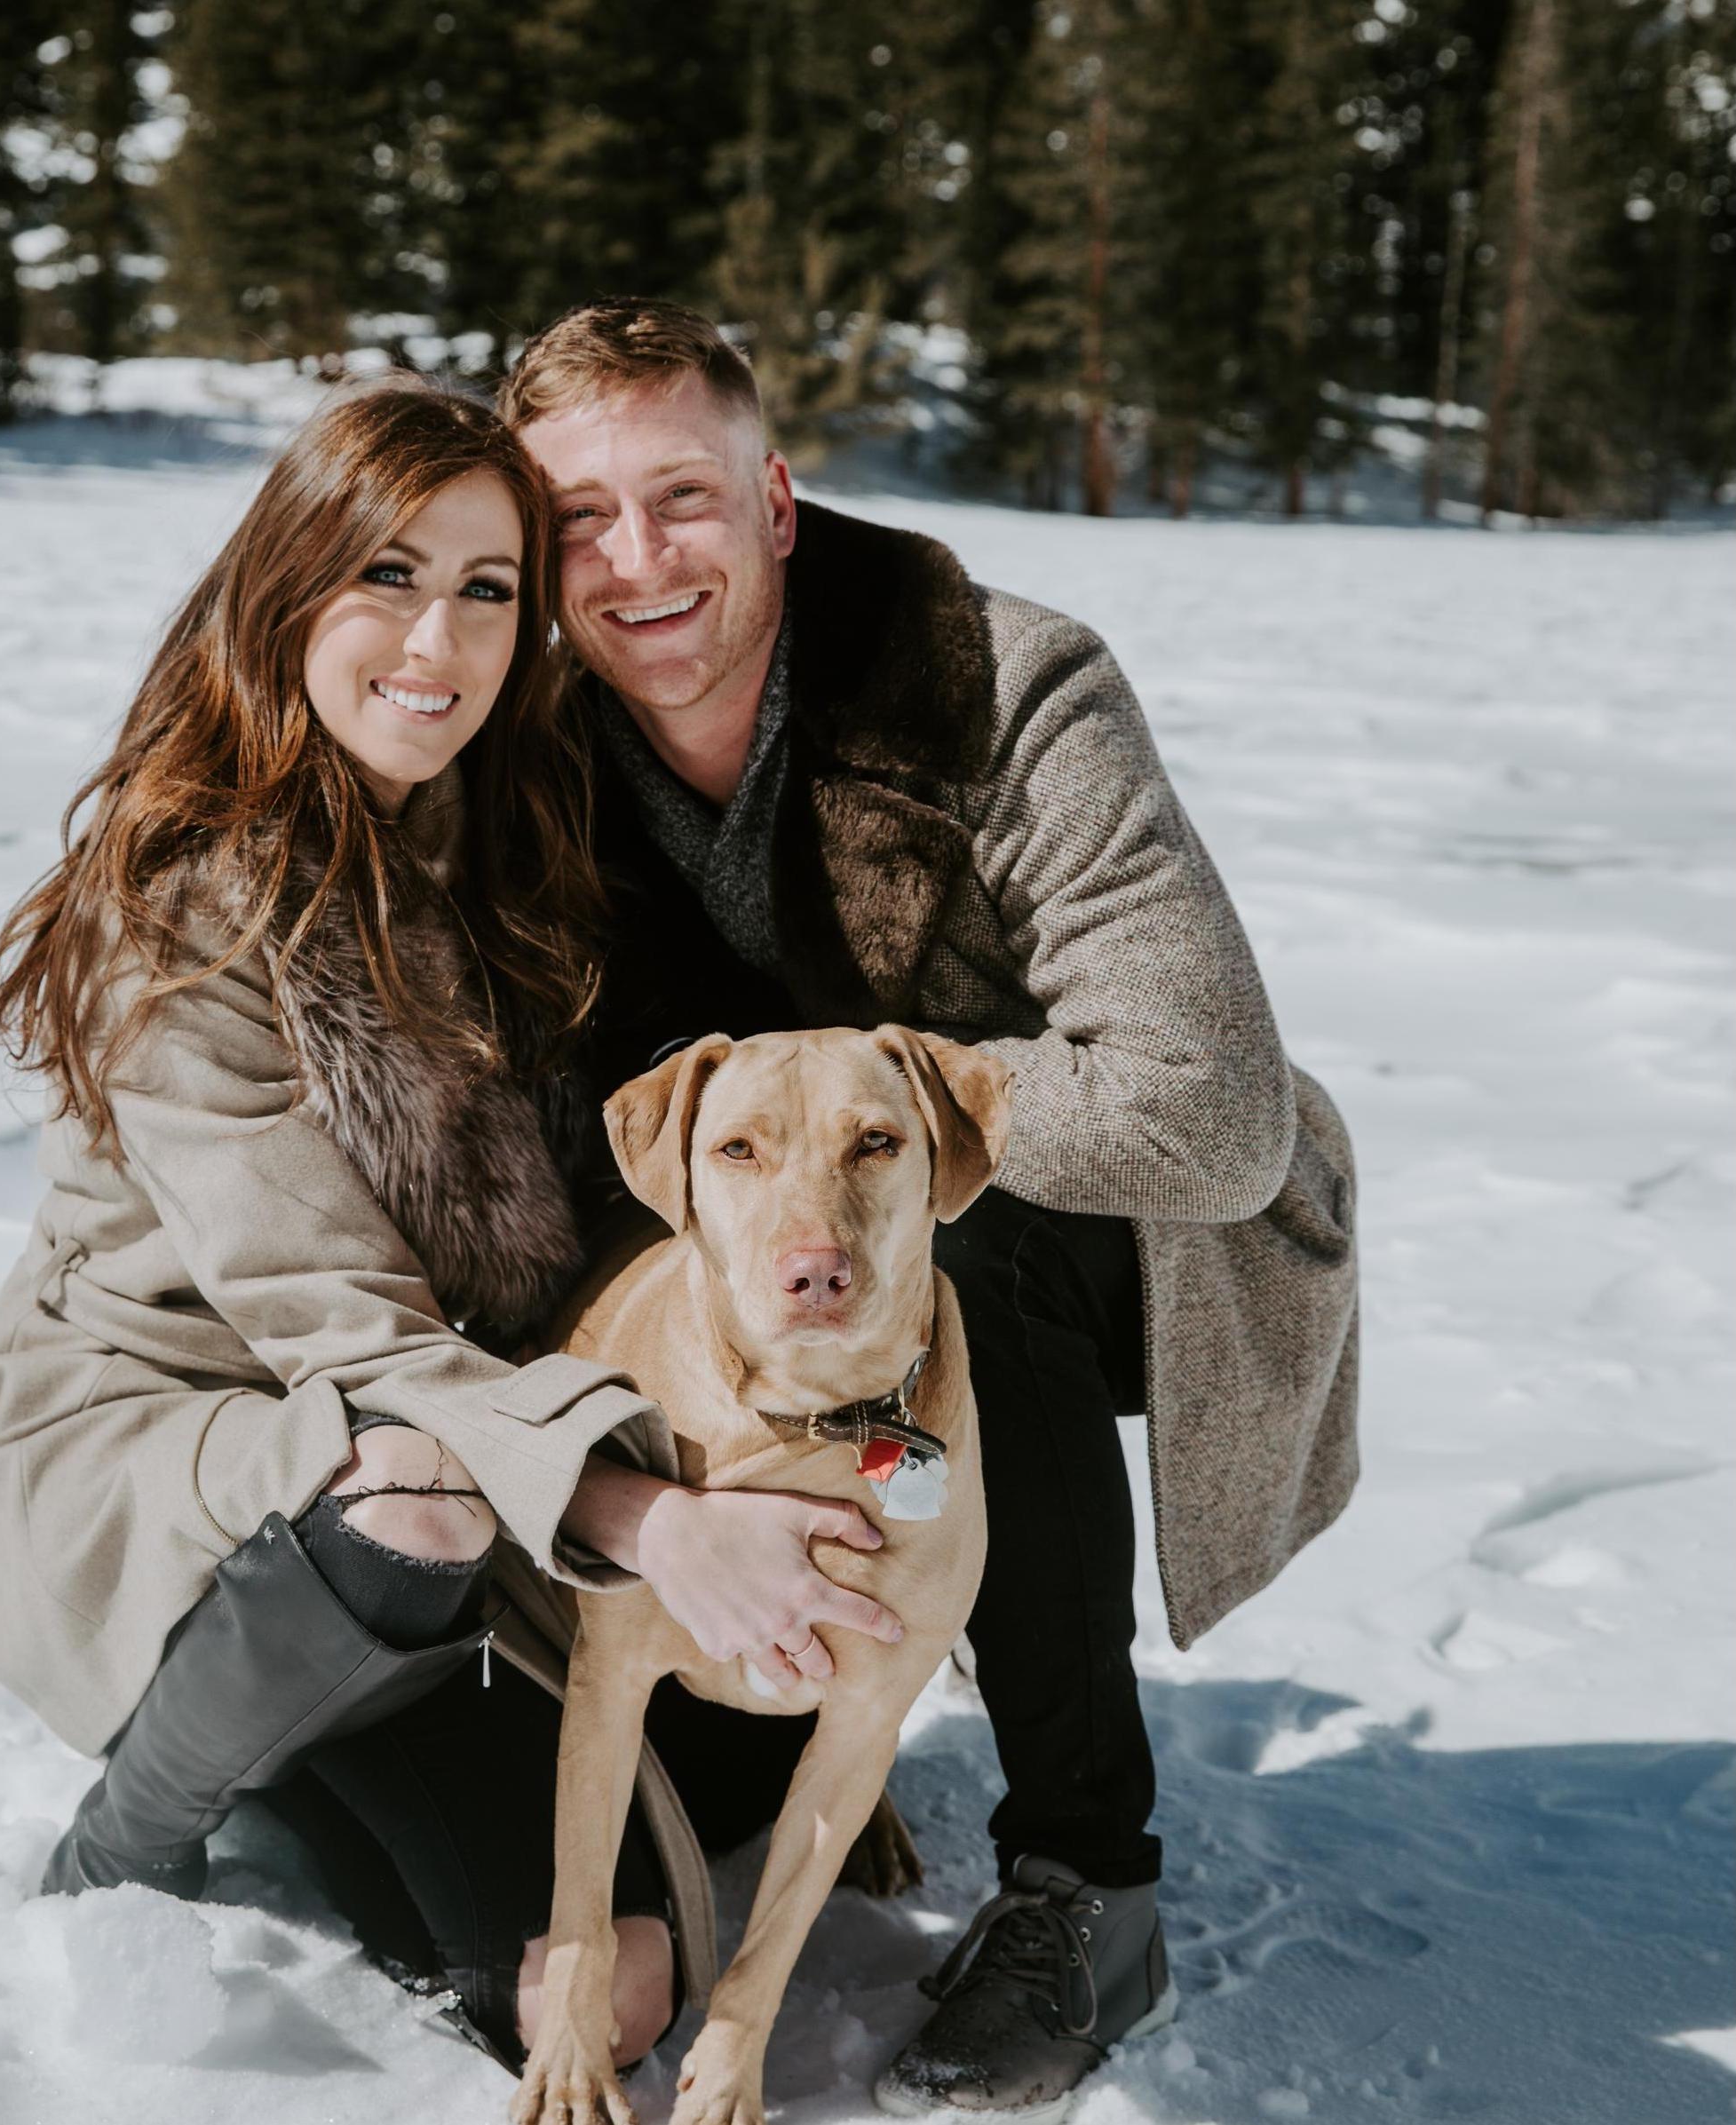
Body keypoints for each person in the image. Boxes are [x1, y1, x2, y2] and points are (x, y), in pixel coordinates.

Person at [0, 378, 912, 2073]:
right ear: (288, 585)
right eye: (386, 574)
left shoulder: (501, 845)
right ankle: (132, 1837)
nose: (435, 642)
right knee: (418, 1496)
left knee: (617, 1990)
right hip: (171, 1450)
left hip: (452, 1467)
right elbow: (339, 1325)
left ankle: (299, 1756)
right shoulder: (183, 903)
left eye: (487, 589)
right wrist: (652, 1517)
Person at [495, 299, 1361, 2119]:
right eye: (580, 519)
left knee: (964, 1241)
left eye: (684, 495)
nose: (636, 558)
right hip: (741, 1230)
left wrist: (914, 1123)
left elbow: (1210, 1109)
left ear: (776, 501)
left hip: (1118, 1225)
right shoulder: (527, 752)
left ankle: (1085, 1885)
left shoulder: (1001, 687)